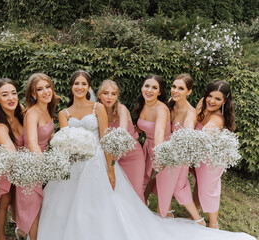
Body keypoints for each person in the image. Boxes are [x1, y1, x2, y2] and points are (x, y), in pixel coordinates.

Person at [37, 70, 255, 240]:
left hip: (106, 158)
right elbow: (64, 138)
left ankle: (198, 219)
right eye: (76, 83)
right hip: (78, 161)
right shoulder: (64, 113)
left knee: (163, 187)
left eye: (84, 83)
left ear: (89, 87)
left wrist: (111, 168)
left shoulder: (99, 109)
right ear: (71, 87)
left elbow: (110, 137)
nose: (80, 87)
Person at [14, 73, 59, 240]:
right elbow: (32, 142)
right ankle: (26, 234)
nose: (46, 91)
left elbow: (49, 135)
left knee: (39, 205)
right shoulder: (32, 113)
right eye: (40, 89)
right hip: (31, 164)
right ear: (33, 94)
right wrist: (43, 166)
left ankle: (23, 233)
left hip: (42, 159)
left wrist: (66, 142)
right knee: (32, 207)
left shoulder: (47, 109)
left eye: (48, 87)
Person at [193, 80, 235, 229]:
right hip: (199, 154)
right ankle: (195, 215)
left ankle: (213, 224)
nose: (211, 101)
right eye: (210, 96)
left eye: (218, 99)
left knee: (207, 190)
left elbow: (207, 130)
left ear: (225, 101)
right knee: (198, 184)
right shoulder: (202, 104)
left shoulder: (218, 118)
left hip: (211, 159)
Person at [97, 79, 146, 202]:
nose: (109, 97)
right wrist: (111, 163)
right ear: (99, 95)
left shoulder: (121, 109)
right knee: (117, 190)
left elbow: (122, 132)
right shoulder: (97, 112)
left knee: (136, 190)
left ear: (117, 96)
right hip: (112, 158)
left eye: (113, 94)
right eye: (105, 93)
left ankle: (140, 219)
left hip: (132, 156)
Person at [0, 78, 25, 240]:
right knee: (4, 201)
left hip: (22, 165)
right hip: (6, 166)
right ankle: (1, 236)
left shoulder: (21, 111)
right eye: (5, 95)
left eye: (13, 93)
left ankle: (19, 221)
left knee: (20, 196)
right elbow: (11, 151)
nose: (11, 98)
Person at [168, 74, 205, 225]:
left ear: (189, 91)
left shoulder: (190, 113)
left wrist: (187, 132)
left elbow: (189, 126)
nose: (175, 91)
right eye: (174, 86)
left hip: (182, 153)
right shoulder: (171, 102)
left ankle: (198, 220)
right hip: (169, 152)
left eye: (181, 88)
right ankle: (166, 209)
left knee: (178, 186)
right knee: (166, 182)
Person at [134, 74, 173, 217]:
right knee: (142, 177)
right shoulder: (143, 104)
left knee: (163, 181)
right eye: (147, 86)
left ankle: (165, 211)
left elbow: (159, 132)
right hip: (148, 145)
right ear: (142, 87)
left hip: (162, 145)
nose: (149, 90)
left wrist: (159, 155)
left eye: (154, 87)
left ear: (160, 92)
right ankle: (141, 203)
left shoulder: (161, 109)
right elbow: (144, 125)